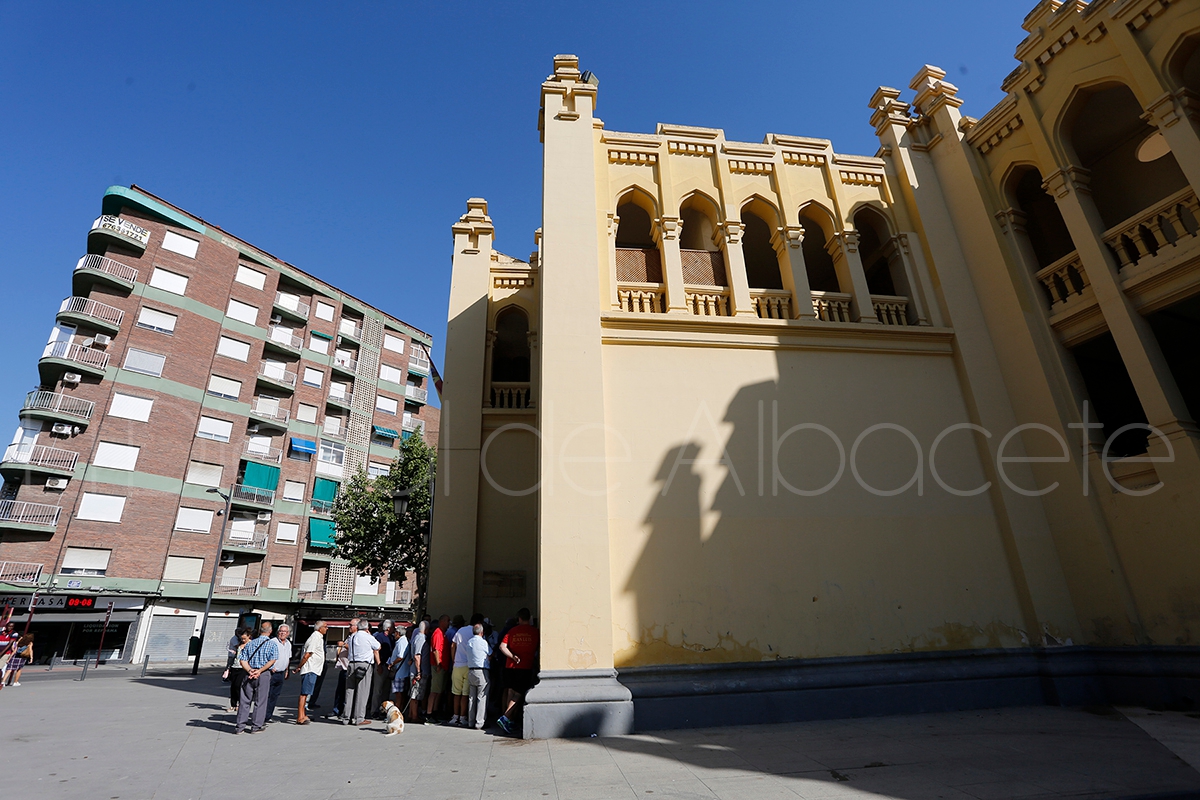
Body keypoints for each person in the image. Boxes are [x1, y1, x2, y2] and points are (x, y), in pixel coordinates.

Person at [497, 608, 539, 735]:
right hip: (525, 666)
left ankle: (509, 720)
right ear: (529, 618)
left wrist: (512, 656)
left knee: (511, 691)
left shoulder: (512, 631)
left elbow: (502, 646)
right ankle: (506, 717)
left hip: (510, 666)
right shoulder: (535, 632)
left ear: (519, 618)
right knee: (519, 694)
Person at [235, 625, 279, 734]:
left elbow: (242, 660)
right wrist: (260, 671)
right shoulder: (272, 644)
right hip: (263, 674)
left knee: (244, 700)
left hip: (248, 674)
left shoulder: (250, 643)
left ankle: (240, 726)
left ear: (259, 631)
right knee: (261, 701)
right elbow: (272, 660)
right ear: (270, 631)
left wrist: (250, 670)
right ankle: (256, 726)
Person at [342, 618, 380, 726]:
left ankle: (346, 717)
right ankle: (359, 718)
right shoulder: (368, 637)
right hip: (364, 665)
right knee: (362, 692)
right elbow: (378, 647)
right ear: (367, 627)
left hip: (351, 664)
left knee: (349, 691)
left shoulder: (353, 636)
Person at [449, 613, 483, 726]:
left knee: (456, 693)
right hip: (469, 665)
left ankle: (455, 716)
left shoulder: (461, 630)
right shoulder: (476, 633)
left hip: (457, 665)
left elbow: (453, 645)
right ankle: (463, 717)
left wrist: (454, 660)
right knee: (465, 694)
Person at [296, 620, 326, 726]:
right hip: (310, 669)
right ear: (320, 628)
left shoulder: (318, 637)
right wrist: (299, 666)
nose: (327, 628)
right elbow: (307, 654)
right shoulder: (315, 637)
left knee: (307, 693)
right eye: (325, 626)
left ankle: (303, 714)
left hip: (314, 669)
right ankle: (300, 716)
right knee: (304, 693)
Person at [329, 618, 358, 717]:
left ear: (357, 626)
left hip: (349, 668)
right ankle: (337, 709)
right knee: (340, 691)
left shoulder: (357, 637)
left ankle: (346, 712)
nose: (349, 627)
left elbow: (355, 649)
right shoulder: (349, 636)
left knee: (347, 691)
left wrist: (344, 645)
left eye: (351, 625)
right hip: (343, 667)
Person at [465, 623, 492, 730]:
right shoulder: (483, 642)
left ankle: (470, 721)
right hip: (481, 670)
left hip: (471, 670)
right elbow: (490, 654)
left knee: (471, 697)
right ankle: (479, 722)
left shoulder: (469, 642)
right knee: (482, 697)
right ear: (482, 632)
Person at [265, 623, 292, 723]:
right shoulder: (272, 642)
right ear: (278, 632)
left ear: (288, 633)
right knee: (267, 695)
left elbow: (288, 658)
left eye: (284, 631)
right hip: (272, 672)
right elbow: (266, 656)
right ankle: (262, 716)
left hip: (281, 673)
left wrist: (287, 670)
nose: (282, 633)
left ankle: (268, 716)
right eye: (281, 631)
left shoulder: (288, 644)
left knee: (275, 696)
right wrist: (270, 667)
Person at [425, 615, 450, 720]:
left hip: (443, 666)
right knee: (434, 690)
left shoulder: (443, 633)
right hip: (438, 666)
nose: (449, 623)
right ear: (442, 621)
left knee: (439, 690)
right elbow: (436, 650)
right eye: (447, 621)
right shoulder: (438, 633)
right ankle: (429, 713)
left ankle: (435, 712)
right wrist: (438, 664)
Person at [370, 619, 395, 717]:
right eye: (393, 627)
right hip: (381, 665)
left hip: (388, 666)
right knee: (378, 689)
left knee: (386, 690)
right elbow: (375, 651)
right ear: (388, 628)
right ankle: (374, 711)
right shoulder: (379, 637)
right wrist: (379, 665)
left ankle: (384, 710)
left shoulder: (392, 638)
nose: (394, 629)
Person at [407, 621, 429, 724]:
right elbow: (417, 656)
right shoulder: (421, 638)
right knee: (415, 694)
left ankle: (411, 715)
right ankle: (414, 716)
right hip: (418, 671)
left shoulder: (415, 637)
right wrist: (419, 672)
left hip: (414, 670)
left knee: (413, 694)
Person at [226, 628, 251, 711]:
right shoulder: (239, 644)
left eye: (244, 638)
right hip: (234, 666)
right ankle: (233, 704)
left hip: (243, 668)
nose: (243, 640)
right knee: (233, 686)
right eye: (242, 638)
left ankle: (240, 703)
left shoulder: (251, 644)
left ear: (249, 636)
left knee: (238, 686)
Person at [387, 623, 410, 707]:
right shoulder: (402, 641)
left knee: (398, 693)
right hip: (401, 671)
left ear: (398, 633)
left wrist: (392, 663)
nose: (394, 635)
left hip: (400, 672)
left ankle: (398, 709)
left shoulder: (402, 642)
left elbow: (400, 656)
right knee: (400, 693)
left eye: (395, 633)